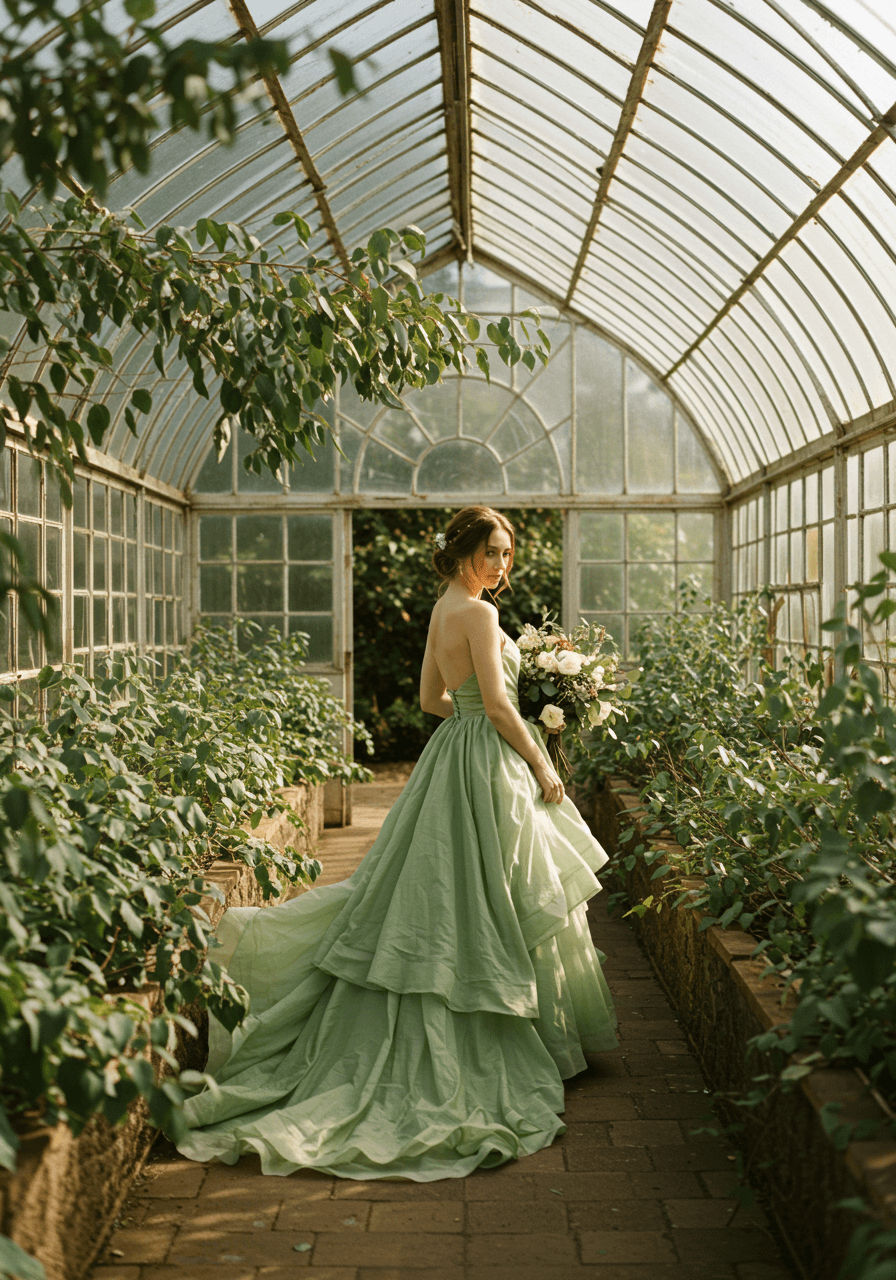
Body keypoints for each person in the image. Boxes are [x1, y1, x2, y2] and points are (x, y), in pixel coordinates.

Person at [175, 505, 617, 1180]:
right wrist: (541, 759)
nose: (502, 565)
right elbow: (494, 706)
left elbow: (432, 699)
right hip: (486, 758)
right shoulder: (482, 616)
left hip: (451, 754)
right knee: (491, 890)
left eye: (508, 554)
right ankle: (501, 1031)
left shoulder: (445, 609)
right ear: (465, 551)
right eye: (493, 552)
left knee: (455, 888)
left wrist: (486, 708)